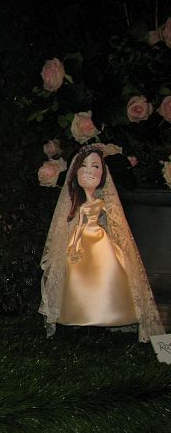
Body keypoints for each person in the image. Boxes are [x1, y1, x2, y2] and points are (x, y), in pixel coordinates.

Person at [39, 145, 164, 341]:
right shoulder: (75, 203)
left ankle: (107, 313)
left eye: (95, 167)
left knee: (107, 273)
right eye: (84, 166)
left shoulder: (102, 202)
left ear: (103, 174)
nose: (89, 171)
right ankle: (80, 315)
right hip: (78, 244)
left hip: (100, 241)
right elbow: (73, 223)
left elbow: (116, 222)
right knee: (77, 277)